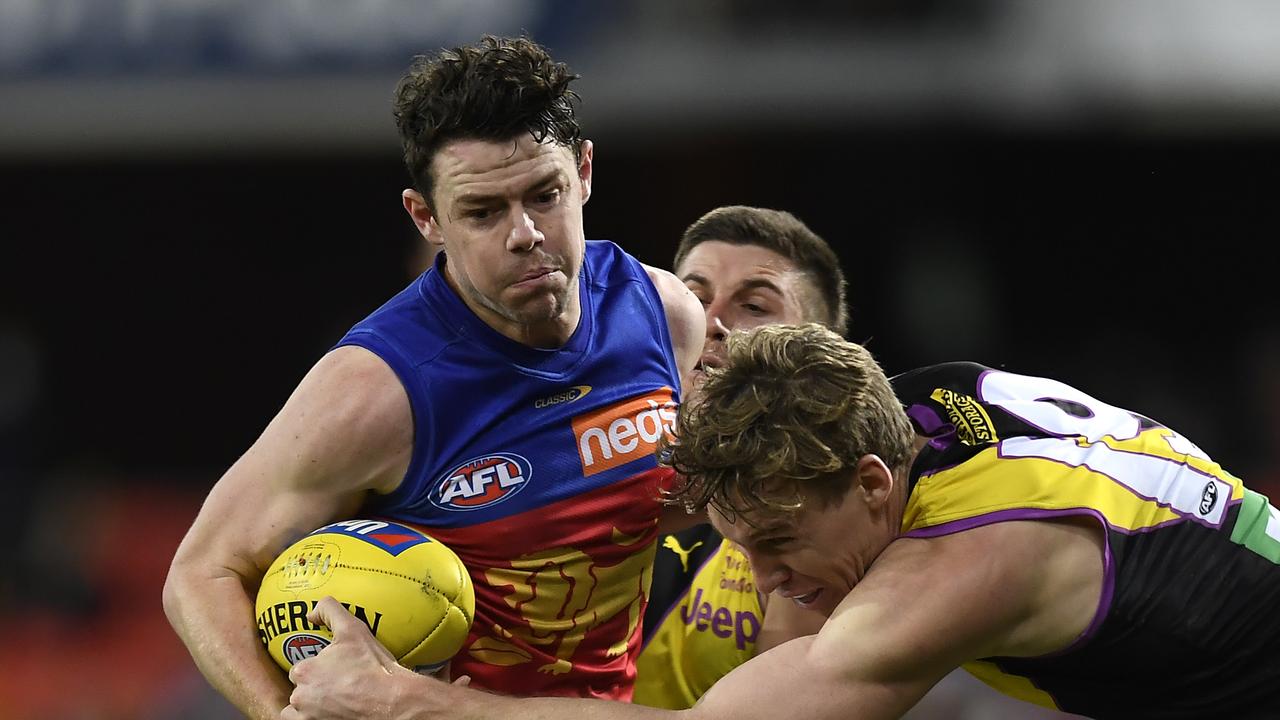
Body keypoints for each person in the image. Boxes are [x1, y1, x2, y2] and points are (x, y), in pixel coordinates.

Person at [283, 323, 1280, 719]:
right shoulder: (920, 411)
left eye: (778, 545)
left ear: (873, 484)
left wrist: (412, 704)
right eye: (740, 542)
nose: (759, 577)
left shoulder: (959, 570)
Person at [162, 35, 704, 720]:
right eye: (483, 212)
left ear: (586, 171)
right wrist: (280, 714)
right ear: (426, 217)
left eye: (545, 194)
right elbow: (199, 574)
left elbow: (661, 503)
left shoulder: (666, 316)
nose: (525, 234)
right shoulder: (375, 390)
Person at [634, 206, 842, 709]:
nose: (713, 321)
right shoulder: (566, 466)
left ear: (820, 352)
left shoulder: (828, 519)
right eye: (694, 296)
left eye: (754, 306)